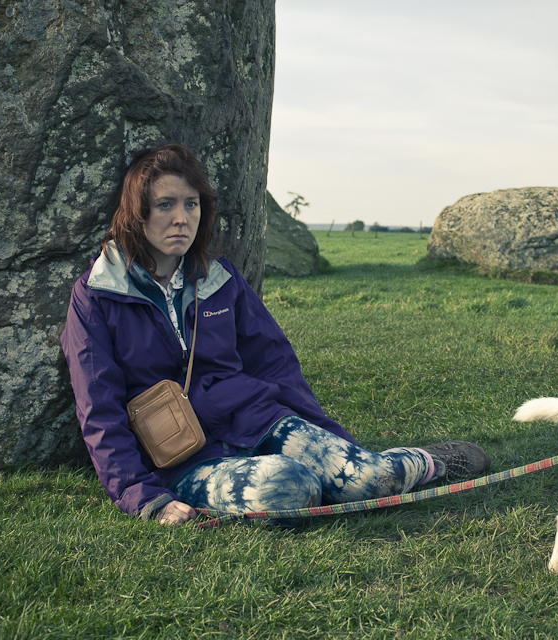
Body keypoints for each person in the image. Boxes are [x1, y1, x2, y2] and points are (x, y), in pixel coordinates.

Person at [61, 143, 490, 526]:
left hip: (257, 418)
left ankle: (426, 462)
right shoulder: (98, 295)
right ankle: (315, 481)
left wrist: (333, 442)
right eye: (164, 205)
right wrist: (142, 495)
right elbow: (99, 410)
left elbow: (274, 362)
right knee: (290, 487)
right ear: (136, 212)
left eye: (192, 205)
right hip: (184, 457)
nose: (181, 219)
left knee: (368, 479)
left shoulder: (219, 278)